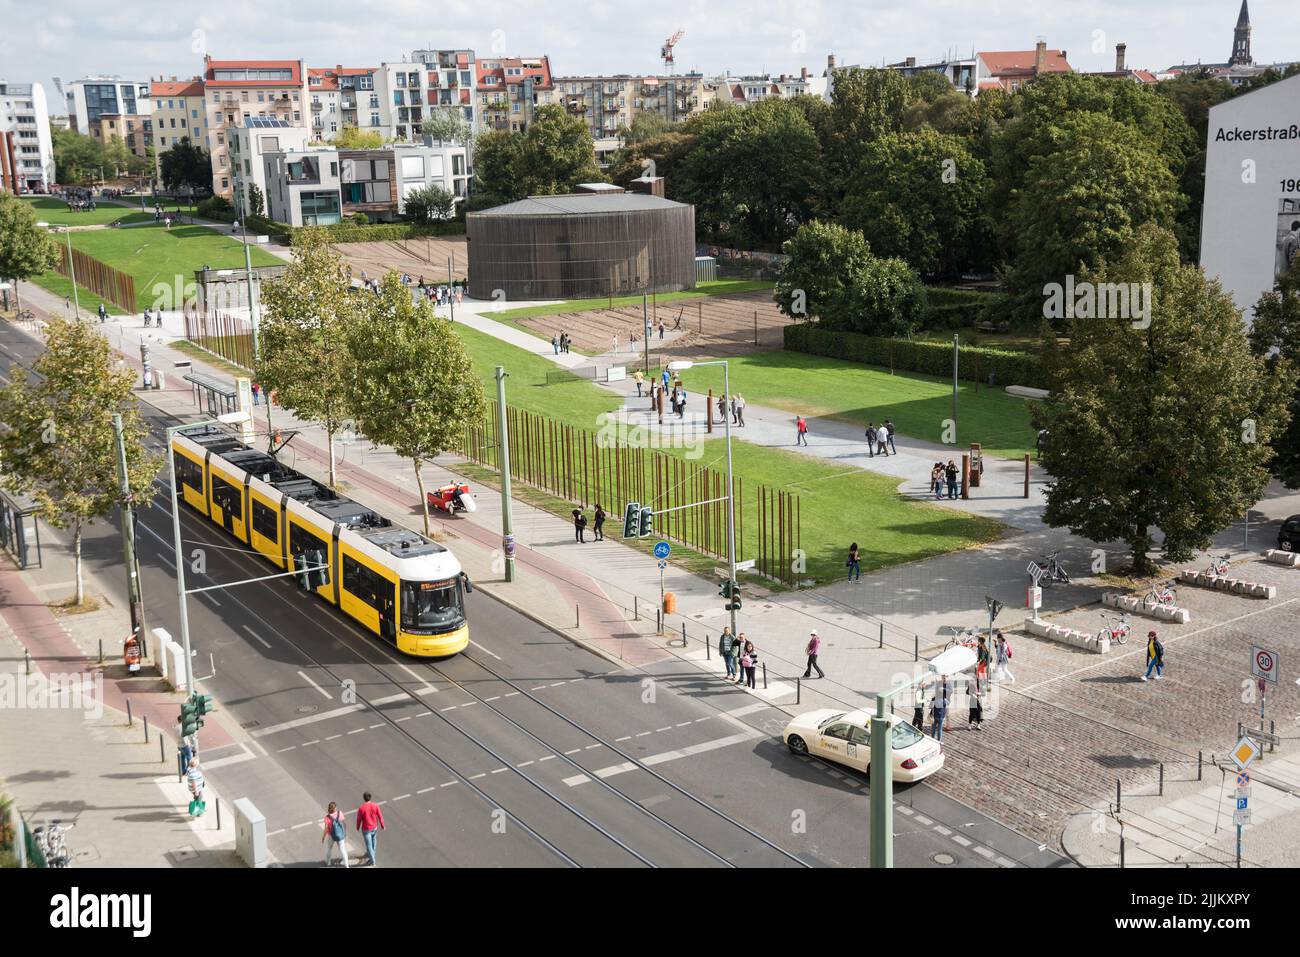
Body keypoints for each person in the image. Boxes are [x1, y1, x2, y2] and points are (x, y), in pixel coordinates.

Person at [356, 792, 385, 866]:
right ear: (370, 797)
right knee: (374, 841)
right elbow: (380, 816)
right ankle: (373, 855)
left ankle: (373, 861)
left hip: (366, 829)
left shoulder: (361, 808)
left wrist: (357, 827)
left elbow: (359, 819)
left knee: (369, 845)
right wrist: (382, 825)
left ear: (364, 798)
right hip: (374, 827)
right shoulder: (375, 805)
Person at [322, 801, 349, 867]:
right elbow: (344, 823)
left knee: (329, 848)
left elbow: (326, 829)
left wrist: (323, 837)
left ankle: (328, 862)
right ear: (335, 808)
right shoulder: (340, 813)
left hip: (331, 835)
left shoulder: (327, 817)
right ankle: (347, 865)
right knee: (343, 850)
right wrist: (344, 833)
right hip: (340, 835)